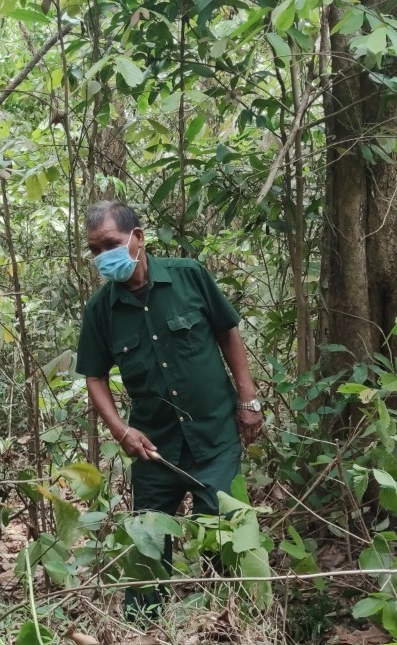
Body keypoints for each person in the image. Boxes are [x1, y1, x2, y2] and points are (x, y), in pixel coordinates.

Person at [74, 200, 263, 617]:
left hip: (214, 437)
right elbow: (94, 375)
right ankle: (144, 638)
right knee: (147, 544)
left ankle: (226, 623)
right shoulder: (101, 311)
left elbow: (227, 332)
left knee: (222, 534)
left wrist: (248, 399)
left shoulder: (188, 276)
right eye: (94, 250)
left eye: (110, 244)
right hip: (153, 448)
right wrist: (121, 430)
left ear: (138, 237)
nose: (103, 257)